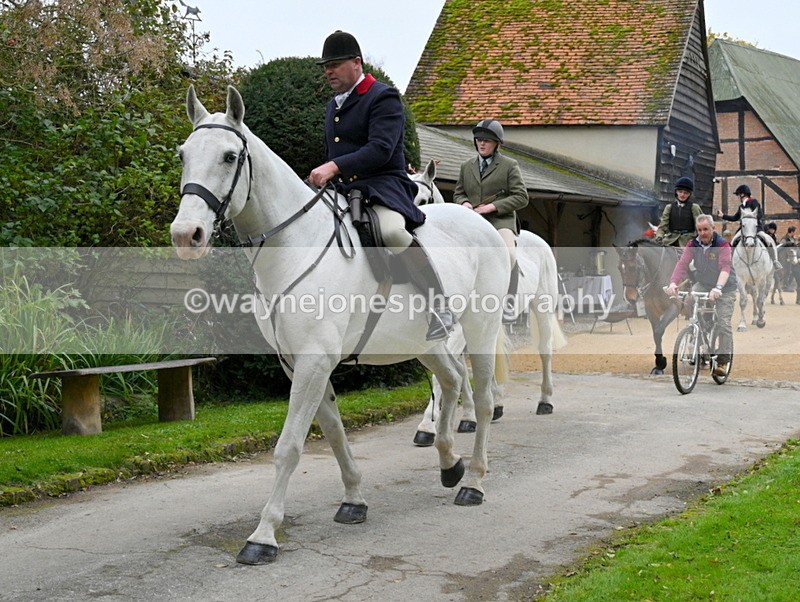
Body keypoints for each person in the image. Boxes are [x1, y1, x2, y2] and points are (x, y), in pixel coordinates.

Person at [308, 30, 454, 341]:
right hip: (345, 190)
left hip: (383, 185)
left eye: (335, 64)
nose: (328, 71)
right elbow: (337, 151)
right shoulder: (334, 105)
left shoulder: (383, 96)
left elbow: (380, 149)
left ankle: (440, 306)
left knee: (390, 232)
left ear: (356, 63)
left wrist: (334, 167)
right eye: (326, 66)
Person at [453, 119, 529, 322]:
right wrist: (465, 203)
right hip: (472, 222)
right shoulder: (466, 166)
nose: (482, 144)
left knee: (510, 254)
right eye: (479, 140)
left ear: (497, 144)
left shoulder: (509, 166)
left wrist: (492, 207)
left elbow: (522, 197)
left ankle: (509, 302)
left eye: (487, 140)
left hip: (500, 221)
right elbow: (458, 193)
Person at [665, 214, 737, 376]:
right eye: (699, 230)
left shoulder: (722, 244)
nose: (702, 233)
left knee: (723, 322)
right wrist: (673, 283)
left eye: (705, 229)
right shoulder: (693, 244)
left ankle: (723, 361)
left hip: (725, 287)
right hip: (704, 283)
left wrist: (718, 287)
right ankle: (698, 331)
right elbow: (682, 264)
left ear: (713, 229)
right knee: (690, 299)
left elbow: (725, 267)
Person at [715, 184, 781, 269]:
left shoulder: (754, 202)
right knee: (733, 241)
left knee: (768, 240)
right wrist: (723, 216)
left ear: (742, 194)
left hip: (756, 228)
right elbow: (735, 218)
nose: (738, 197)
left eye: (739, 195)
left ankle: (775, 261)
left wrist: (751, 220)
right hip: (744, 230)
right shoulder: (741, 207)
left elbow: (760, 214)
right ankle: (731, 262)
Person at [654, 176, 703, 247]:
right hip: (670, 240)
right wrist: (659, 237)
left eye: (685, 193)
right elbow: (662, 227)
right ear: (676, 192)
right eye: (680, 192)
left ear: (689, 194)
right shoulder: (669, 207)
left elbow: (700, 227)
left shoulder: (694, 207)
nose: (682, 195)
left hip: (688, 241)